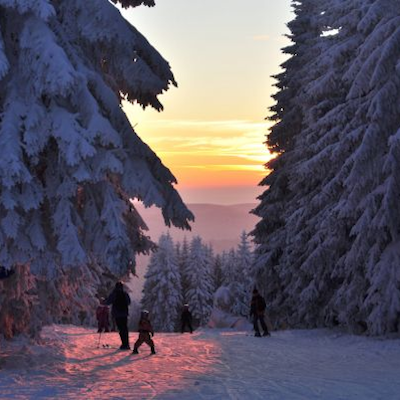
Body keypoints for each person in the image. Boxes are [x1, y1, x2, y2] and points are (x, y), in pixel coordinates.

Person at [105, 281, 131, 349]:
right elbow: (129, 302)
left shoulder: (114, 294)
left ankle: (124, 344)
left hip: (117, 314)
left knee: (121, 329)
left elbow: (108, 302)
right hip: (124, 313)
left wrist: (104, 300)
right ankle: (126, 344)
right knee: (125, 328)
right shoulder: (125, 294)